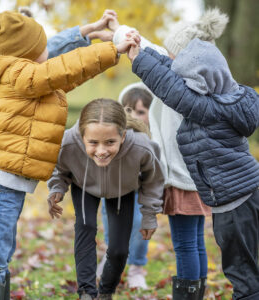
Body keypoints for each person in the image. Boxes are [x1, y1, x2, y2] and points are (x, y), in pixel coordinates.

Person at [0, 9, 136, 299]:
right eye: (41, 45)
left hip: (3, 183)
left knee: (1, 252)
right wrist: (112, 49)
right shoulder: (20, 76)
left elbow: (70, 73)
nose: (48, 49)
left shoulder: (27, 78)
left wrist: (102, 46)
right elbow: (58, 69)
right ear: (27, 52)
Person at [128, 7, 259, 300]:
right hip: (240, 195)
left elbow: (173, 90)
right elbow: (172, 76)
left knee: (241, 269)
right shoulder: (229, 94)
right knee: (242, 263)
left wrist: (138, 59)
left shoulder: (207, 109)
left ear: (198, 78)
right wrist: (141, 51)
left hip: (233, 202)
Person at [108, 12, 215, 298]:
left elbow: (148, 50)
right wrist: (120, 29)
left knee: (185, 244)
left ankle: (188, 294)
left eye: (171, 53)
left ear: (183, 56)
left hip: (181, 178)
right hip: (201, 177)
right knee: (196, 241)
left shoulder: (175, 86)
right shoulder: (207, 81)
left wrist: (121, 32)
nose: (165, 56)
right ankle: (198, 292)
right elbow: (152, 48)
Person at [47, 98, 165, 300]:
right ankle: (86, 292)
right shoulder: (67, 143)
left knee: (119, 250)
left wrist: (149, 215)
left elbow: (153, 180)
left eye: (110, 142)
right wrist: (57, 188)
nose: (101, 151)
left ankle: (105, 292)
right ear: (82, 136)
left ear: (123, 135)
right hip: (84, 185)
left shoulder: (141, 147)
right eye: (93, 143)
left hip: (123, 190)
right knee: (85, 228)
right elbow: (60, 169)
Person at [98, 85, 153, 289]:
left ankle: (136, 268)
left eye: (141, 112)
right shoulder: (115, 134)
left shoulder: (152, 137)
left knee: (139, 225)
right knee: (111, 226)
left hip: (140, 191)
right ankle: (110, 258)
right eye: (128, 110)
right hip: (113, 190)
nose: (135, 116)